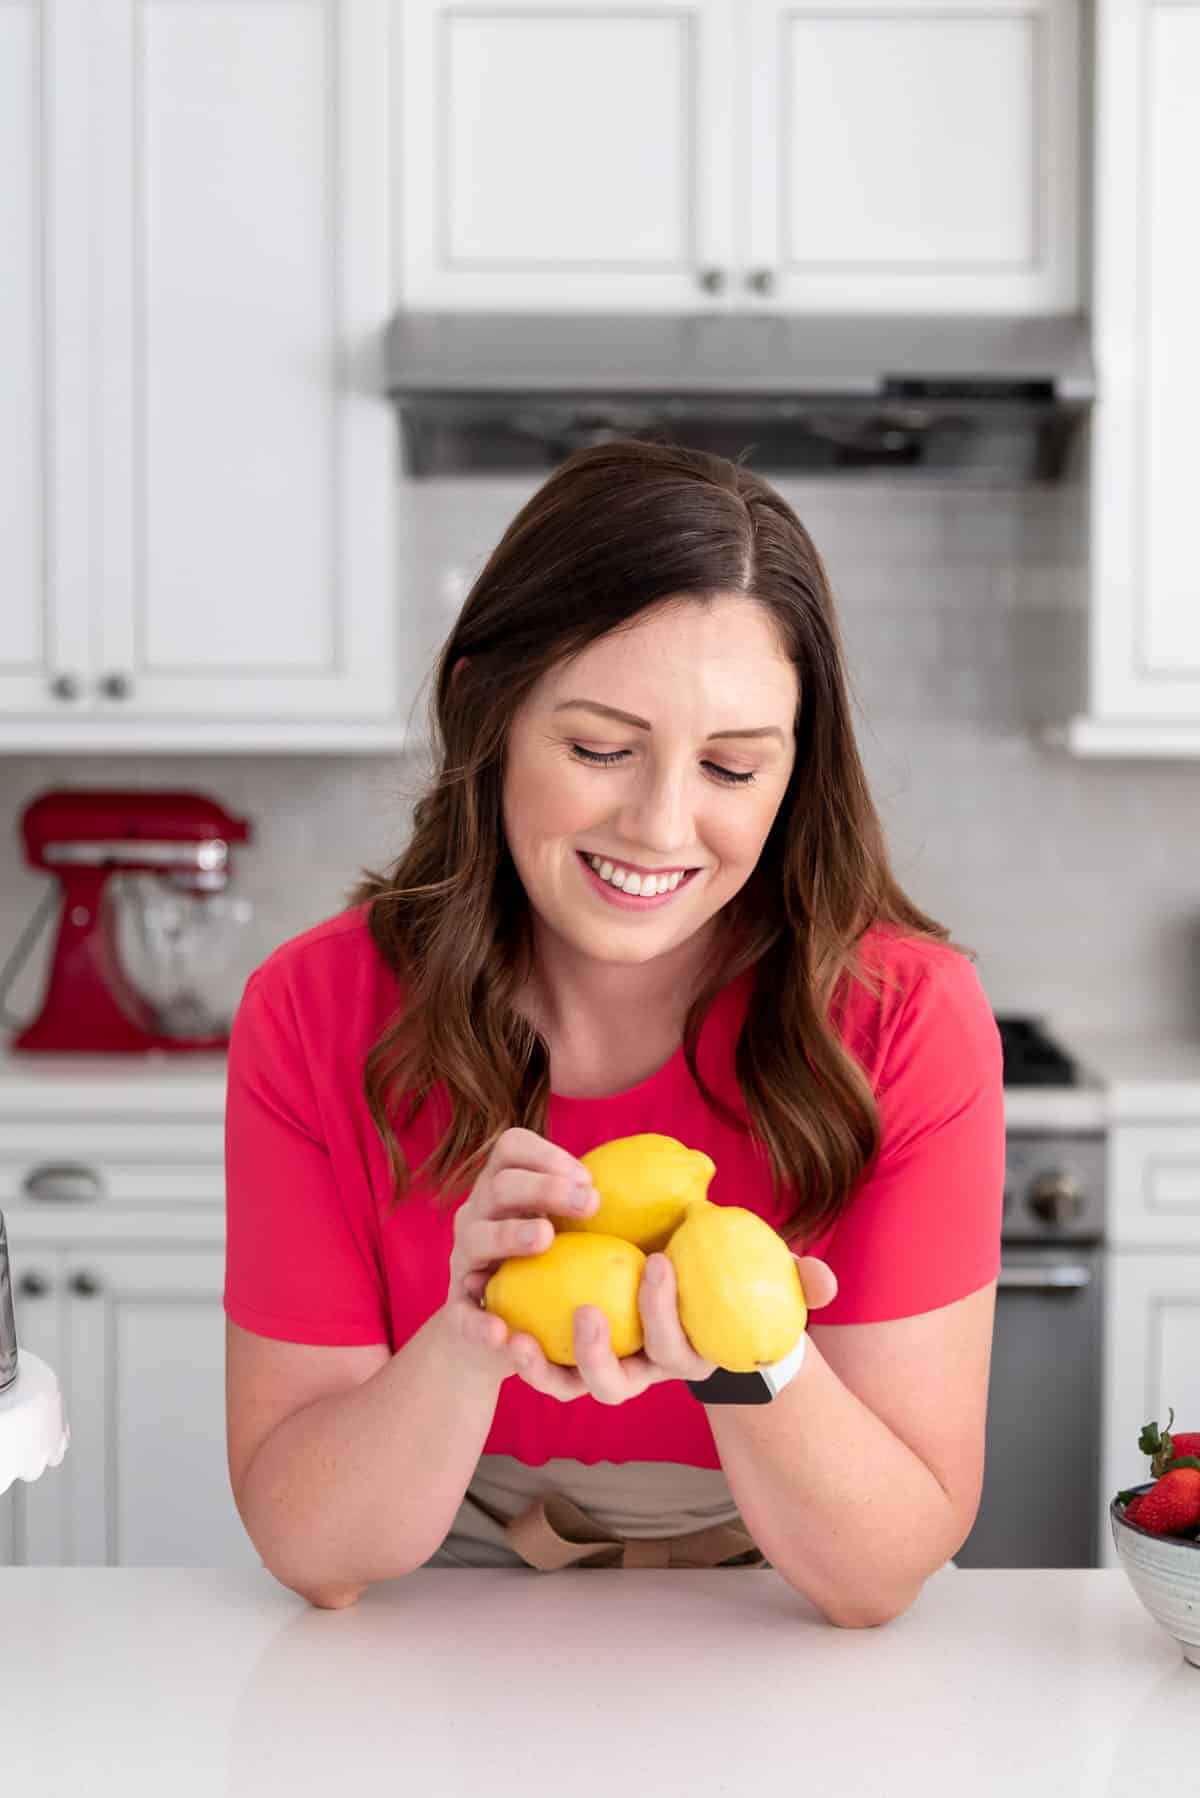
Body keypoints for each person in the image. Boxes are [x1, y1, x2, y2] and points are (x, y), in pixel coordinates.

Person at [223, 439, 1003, 1626]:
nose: (659, 825)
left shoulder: (905, 1021)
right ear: (490, 707)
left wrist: (755, 1354)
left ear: (796, 774)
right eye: (598, 749)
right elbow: (314, 1549)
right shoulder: (316, 1011)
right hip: (439, 1616)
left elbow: (878, 1576)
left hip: (776, 1618)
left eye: (733, 767)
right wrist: (468, 1330)